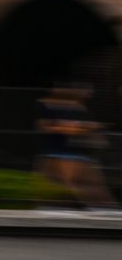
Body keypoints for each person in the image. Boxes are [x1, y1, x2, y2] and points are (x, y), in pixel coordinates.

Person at [36, 82, 116, 210]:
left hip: (73, 152)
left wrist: (81, 128)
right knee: (66, 183)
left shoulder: (77, 106)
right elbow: (46, 127)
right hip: (61, 152)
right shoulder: (47, 105)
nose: (89, 94)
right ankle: (97, 208)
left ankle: (104, 209)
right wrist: (71, 128)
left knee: (79, 184)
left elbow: (82, 127)